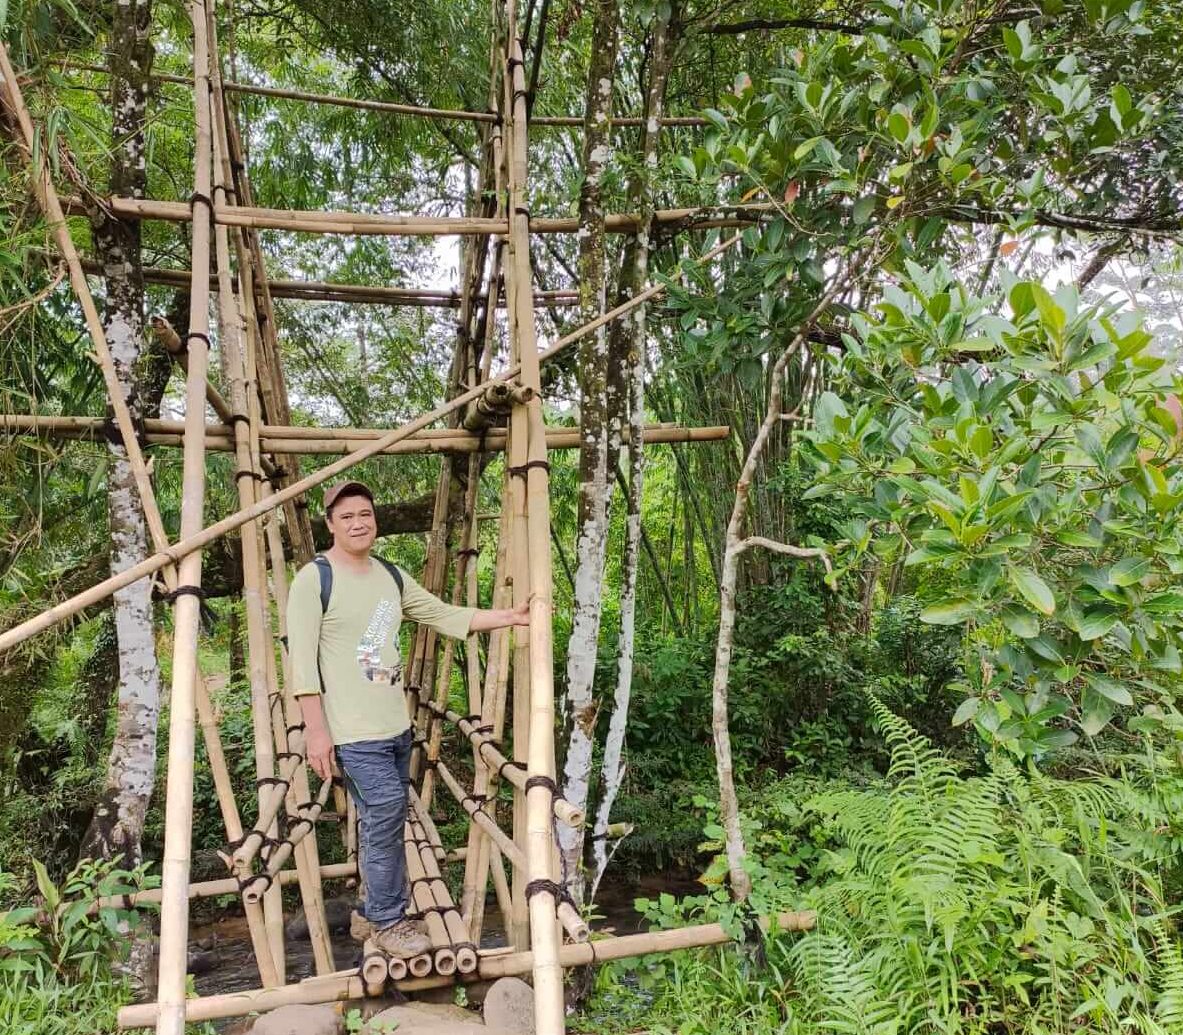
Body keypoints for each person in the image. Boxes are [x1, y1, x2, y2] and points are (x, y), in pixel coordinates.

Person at [288, 480, 528, 959]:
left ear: (375, 520)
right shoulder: (314, 580)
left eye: (366, 514)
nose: (359, 523)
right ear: (330, 524)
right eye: (347, 516)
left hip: (395, 728)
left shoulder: (391, 577)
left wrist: (508, 616)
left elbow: (441, 614)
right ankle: (389, 920)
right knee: (386, 812)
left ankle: (369, 909)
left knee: (384, 820)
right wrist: (317, 733)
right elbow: (302, 667)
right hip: (353, 734)